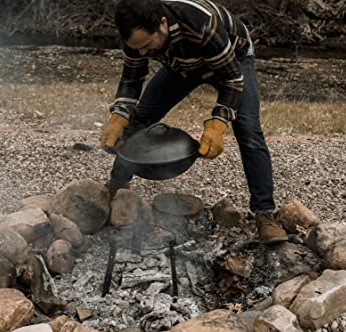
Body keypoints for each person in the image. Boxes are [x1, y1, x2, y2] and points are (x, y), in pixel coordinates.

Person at [100, 0, 287, 244]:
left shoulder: (201, 23)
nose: (143, 53)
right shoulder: (136, 39)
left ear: (162, 24)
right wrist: (119, 116)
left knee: (248, 132)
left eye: (147, 45)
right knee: (139, 119)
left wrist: (218, 123)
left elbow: (232, 81)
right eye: (137, 48)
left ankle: (265, 214)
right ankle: (116, 188)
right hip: (181, 65)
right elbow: (132, 79)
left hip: (233, 61)